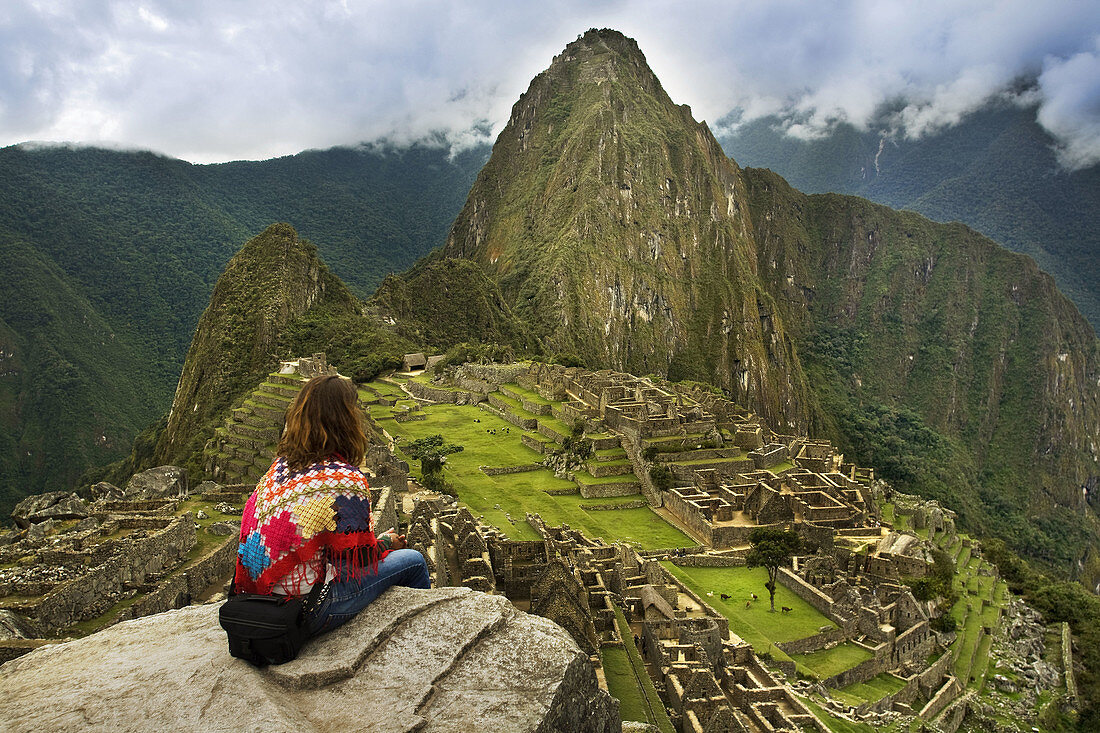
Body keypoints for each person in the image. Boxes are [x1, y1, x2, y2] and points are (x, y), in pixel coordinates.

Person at [233, 374, 430, 636]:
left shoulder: (278, 469)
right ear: (347, 421)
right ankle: (419, 641)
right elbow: (354, 564)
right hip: (305, 612)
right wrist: (385, 544)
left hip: (255, 603)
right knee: (414, 561)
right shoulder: (344, 480)